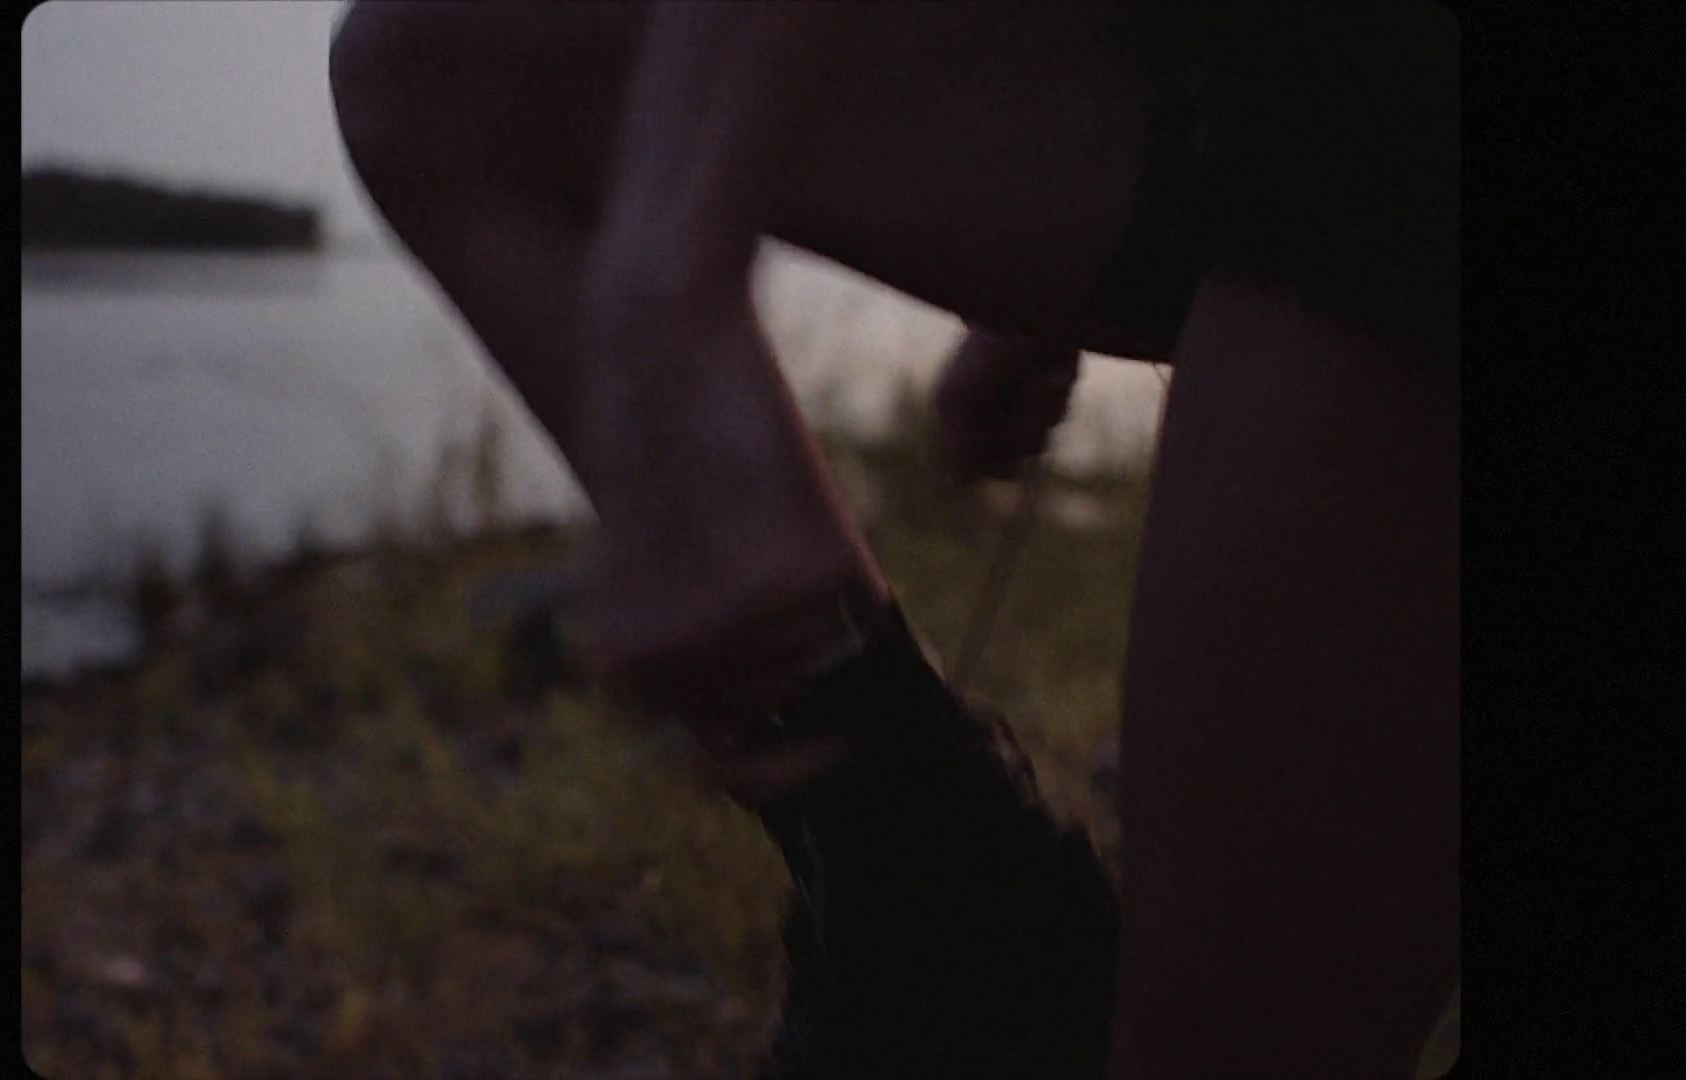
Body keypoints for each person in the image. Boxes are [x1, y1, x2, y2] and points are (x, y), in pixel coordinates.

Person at [330, 2, 1457, 1076]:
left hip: (1398, 126)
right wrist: (1022, 310)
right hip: (1256, 75)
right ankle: (941, 899)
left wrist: (664, 295)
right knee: (433, 70)